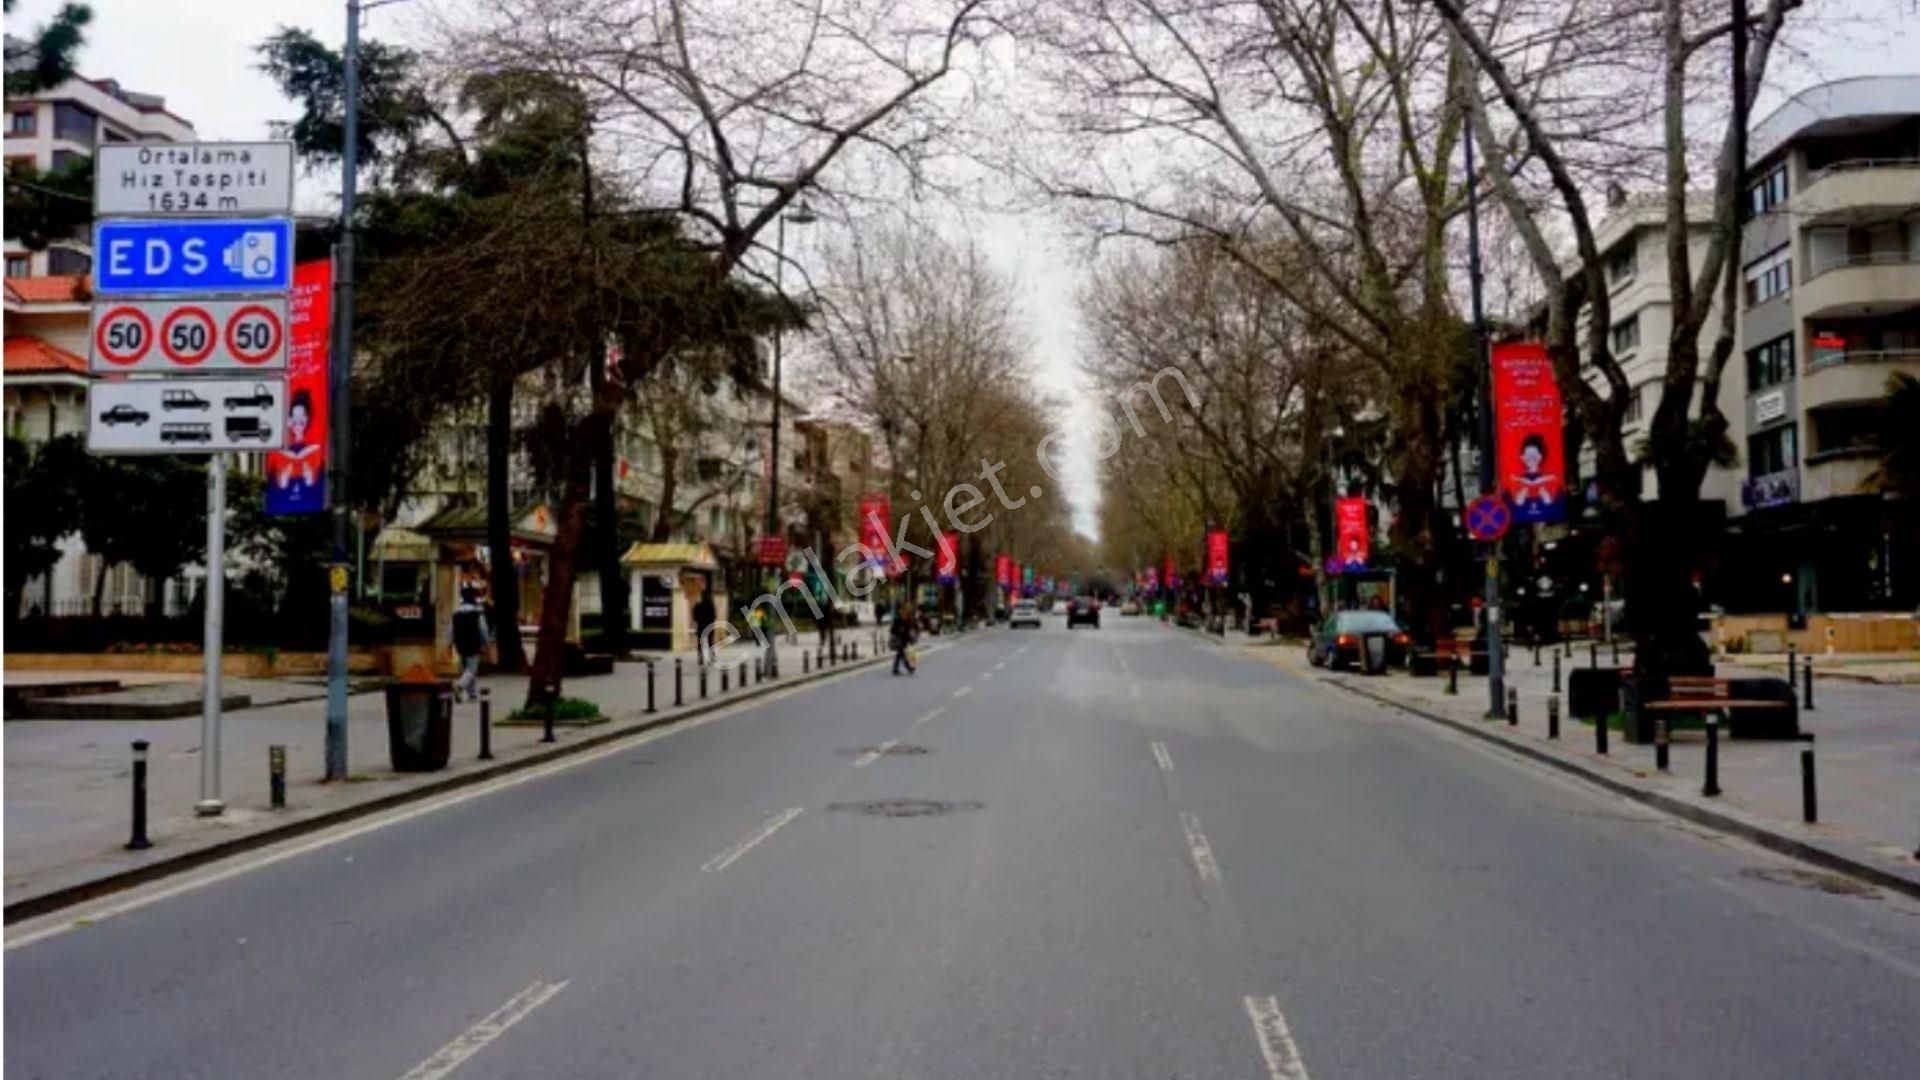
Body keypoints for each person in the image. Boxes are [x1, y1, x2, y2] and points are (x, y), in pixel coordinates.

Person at [451, 585, 490, 702]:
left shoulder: (456, 613)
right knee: (472, 669)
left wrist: (448, 643)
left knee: (466, 669)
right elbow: (482, 629)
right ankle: (460, 686)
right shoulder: (477, 613)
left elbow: (451, 630)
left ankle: (471, 693)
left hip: (460, 644)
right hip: (473, 643)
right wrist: (486, 642)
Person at [890, 602, 918, 676]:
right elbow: (892, 630)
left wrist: (911, 640)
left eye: (906, 613)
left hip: (904, 641)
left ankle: (895, 669)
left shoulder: (908, 620)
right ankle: (909, 668)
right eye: (904, 612)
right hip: (898, 641)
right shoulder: (897, 620)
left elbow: (908, 631)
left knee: (899, 655)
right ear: (901, 612)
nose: (905, 614)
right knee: (902, 654)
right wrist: (899, 630)